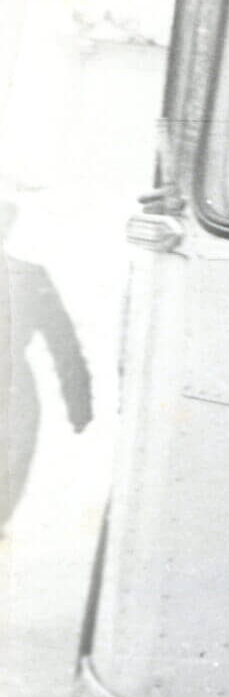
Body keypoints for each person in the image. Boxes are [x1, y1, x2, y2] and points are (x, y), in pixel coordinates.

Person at [2, 198, 93, 533]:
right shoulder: (29, 277)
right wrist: (80, 407)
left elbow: (64, 344)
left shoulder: (29, 277)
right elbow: (64, 345)